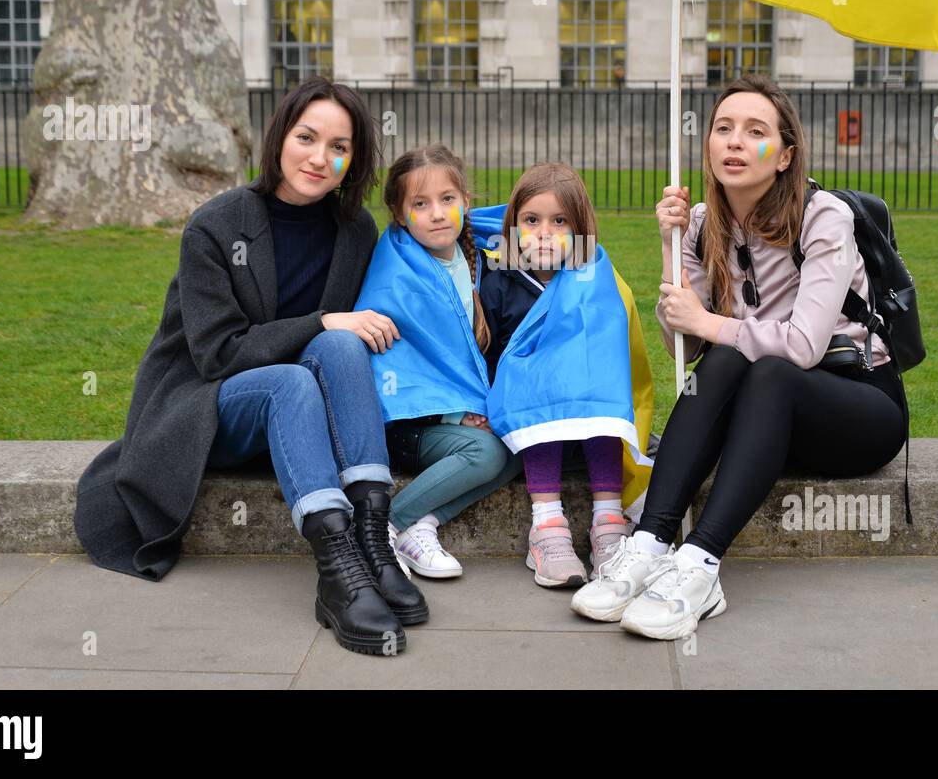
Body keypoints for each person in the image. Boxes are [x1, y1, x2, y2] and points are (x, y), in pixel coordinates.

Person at [73, 76, 427, 656]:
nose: (319, 157)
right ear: (280, 136)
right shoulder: (215, 225)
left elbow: (409, 294)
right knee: (304, 364)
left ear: (354, 160)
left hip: (302, 416)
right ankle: (337, 571)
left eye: (339, 147)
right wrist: (321, 321)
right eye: (306, 137)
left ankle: (372, 540)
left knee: (342, 346)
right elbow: (217, 354)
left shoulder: (354, 230)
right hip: (211, 406)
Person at [571, 74, 909, 640]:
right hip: (766, 417)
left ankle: (701, 567)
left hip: (857, 409)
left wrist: (710, 323)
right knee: (725, 360)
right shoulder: (705, 222)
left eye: (755, 131)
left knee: (769, 366)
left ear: (784, 155)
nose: (734, 141)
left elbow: (803, 346)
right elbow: (687, 345)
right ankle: (651, 543)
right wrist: (671, 244)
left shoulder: (825, 216)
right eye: (723, 128)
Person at [357, 144, 523, 578]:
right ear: (398, 213)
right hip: (410, 426)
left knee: (524, 444)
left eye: (447, 199)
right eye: (420, 204)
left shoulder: (478, 257)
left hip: (458, 416)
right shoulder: (397, 273)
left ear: (466, 202)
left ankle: (422, 525)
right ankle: (381, 527)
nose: (437, 213)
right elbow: (394, 367)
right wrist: (456, 416)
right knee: (485, 452)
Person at [478, 162, 636, 588]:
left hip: (586, 419)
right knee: (541, 397)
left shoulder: (591, 279)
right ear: (512, 227)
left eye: (560, 221)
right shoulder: (498, 284)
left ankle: (607, 523)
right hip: (527, 421)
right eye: (531, 220)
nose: (544, 232)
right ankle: (547, 529)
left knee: (595, 389)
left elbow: (605, 353)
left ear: (581, 228)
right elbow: (486, 354)